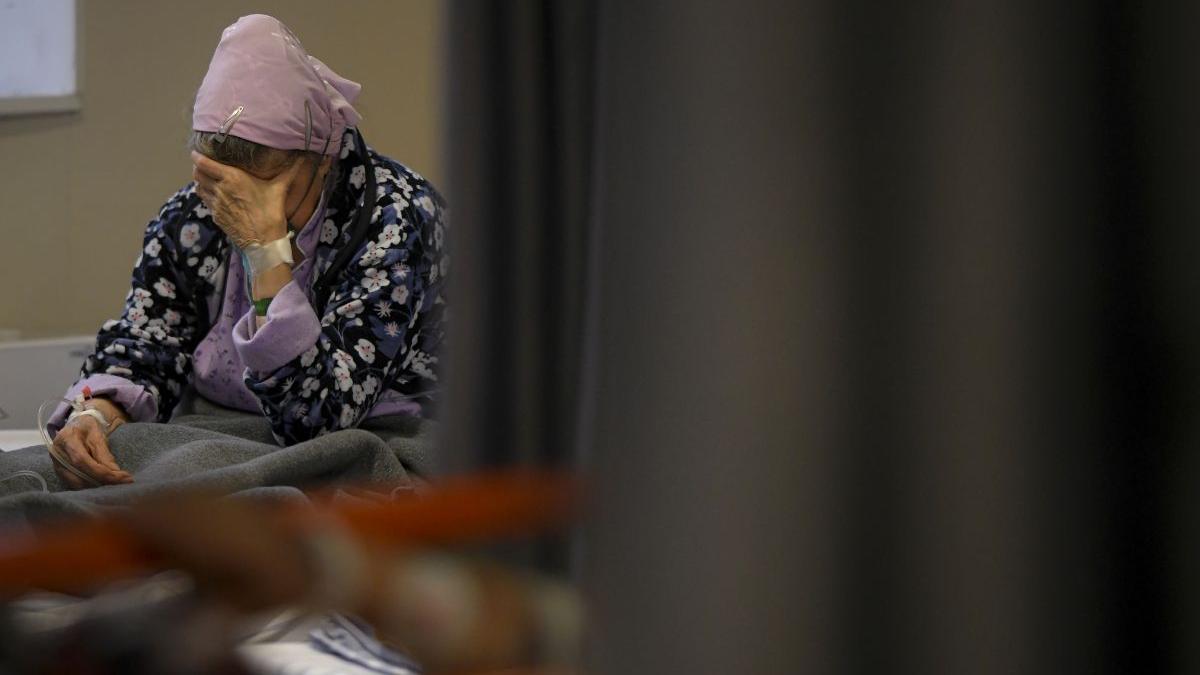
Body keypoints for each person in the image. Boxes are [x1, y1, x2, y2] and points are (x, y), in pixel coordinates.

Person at [43, 14, 447, 490]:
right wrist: (97, 412)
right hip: (218, 428)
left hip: (372, 435)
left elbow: (319, 421)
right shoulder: (193, 216)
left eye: (268, 190)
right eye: (224, 187)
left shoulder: (397, 218)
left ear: (323, 159)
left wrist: (264, 252)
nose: (240, 208)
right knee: (48, 481)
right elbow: (148, 341)